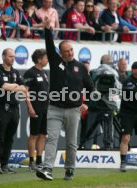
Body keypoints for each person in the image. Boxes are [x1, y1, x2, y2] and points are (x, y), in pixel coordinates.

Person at [36, 16, 94, 181]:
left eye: (71, 50)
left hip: (73, 110)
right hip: (54, 108)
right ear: (60, 53)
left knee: (71, 142)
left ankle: (70, 169)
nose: (69, 53)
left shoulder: (81, 67)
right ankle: (47, 168)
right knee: (51, 138)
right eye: (66, 51)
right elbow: (49, 44)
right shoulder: (55, 62)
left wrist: (86, 103)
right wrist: (47, 29)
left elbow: (90, 88)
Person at [0, 48, 27, 174]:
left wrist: (14, 87)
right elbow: (3, 86)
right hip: (2, 107)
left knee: (9, 137)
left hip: (14, 107)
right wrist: (15, 87)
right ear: (3, 56)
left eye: (14, 56)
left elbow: (24, 87)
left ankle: (5, 163)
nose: (13, 58)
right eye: (10, 56)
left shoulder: (15, 72)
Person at [23, 49, 49, 171]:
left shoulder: (44, 73)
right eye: (45, 58)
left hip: (45, 108)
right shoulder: (30, 73)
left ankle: (39, 160)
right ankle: (31, 162)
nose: (47, 60)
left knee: (43, 135)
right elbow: (25, 92)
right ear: (39, 59)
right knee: (33, 134)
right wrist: (30, 107)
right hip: (36, 107)